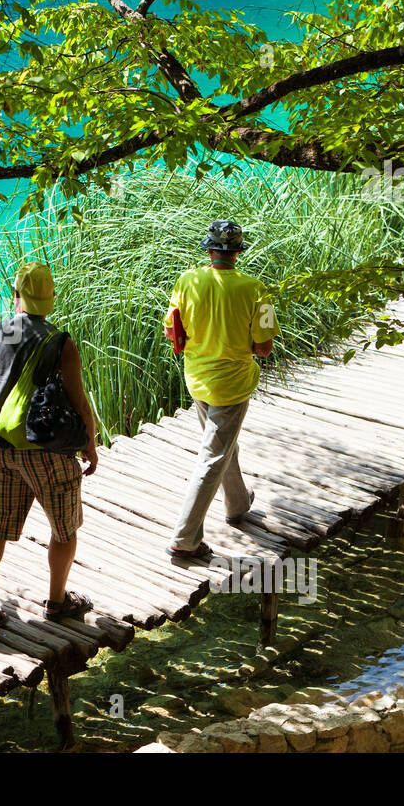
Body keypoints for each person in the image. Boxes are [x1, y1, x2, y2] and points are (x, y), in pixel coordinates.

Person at [0, 261, 99, 633]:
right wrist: (89, 443)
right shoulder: (60, 342)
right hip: (44, 452)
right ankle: (57, 601)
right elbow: (78, 399)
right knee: (64, 529)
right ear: (51, 296)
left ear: (16, 294)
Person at [162, 219, 279, 560]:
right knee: (213, 456)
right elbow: (264, 348)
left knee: (222, 443)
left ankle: (238, 503)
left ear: (210, 250)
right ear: (237, 253)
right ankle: (184, 540)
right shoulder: (255, 289)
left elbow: (173, 333)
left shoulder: (187, 281)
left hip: (196, 378)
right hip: (232, 384)